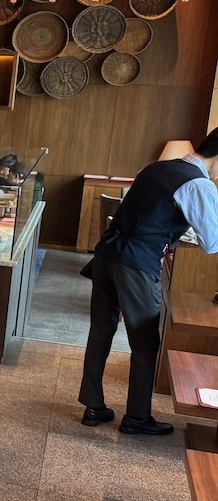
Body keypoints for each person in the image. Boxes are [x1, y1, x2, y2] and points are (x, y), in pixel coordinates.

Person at [79, 128, 218, 435]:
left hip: (106, 255)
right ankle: (138, 418)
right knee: (145, 345)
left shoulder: (155, 168)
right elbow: (212, 242)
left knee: (101, 331)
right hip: (136, 266)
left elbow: (146, 216)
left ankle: (93, 407)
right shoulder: (199, 185)